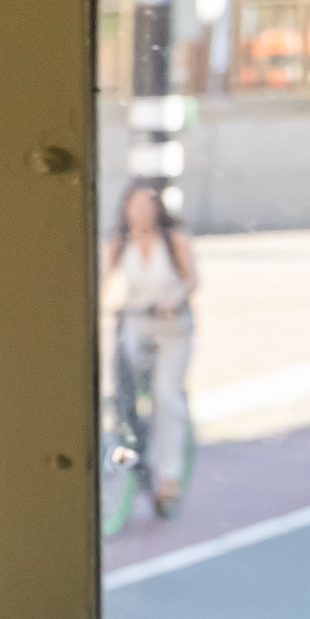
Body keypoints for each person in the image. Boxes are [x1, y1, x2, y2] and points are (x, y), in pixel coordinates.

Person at [104, 177, 199, 521]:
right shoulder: (119, 244)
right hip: (135, 326)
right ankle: (131, 459)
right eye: (135, 205)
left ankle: (168, 478)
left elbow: (190, 280)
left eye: (147, 205)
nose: (141, 212)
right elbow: (105, 281)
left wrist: (171, 301)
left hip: (171, 330)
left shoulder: (173, 241)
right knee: (123, 394)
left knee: (166, 396)